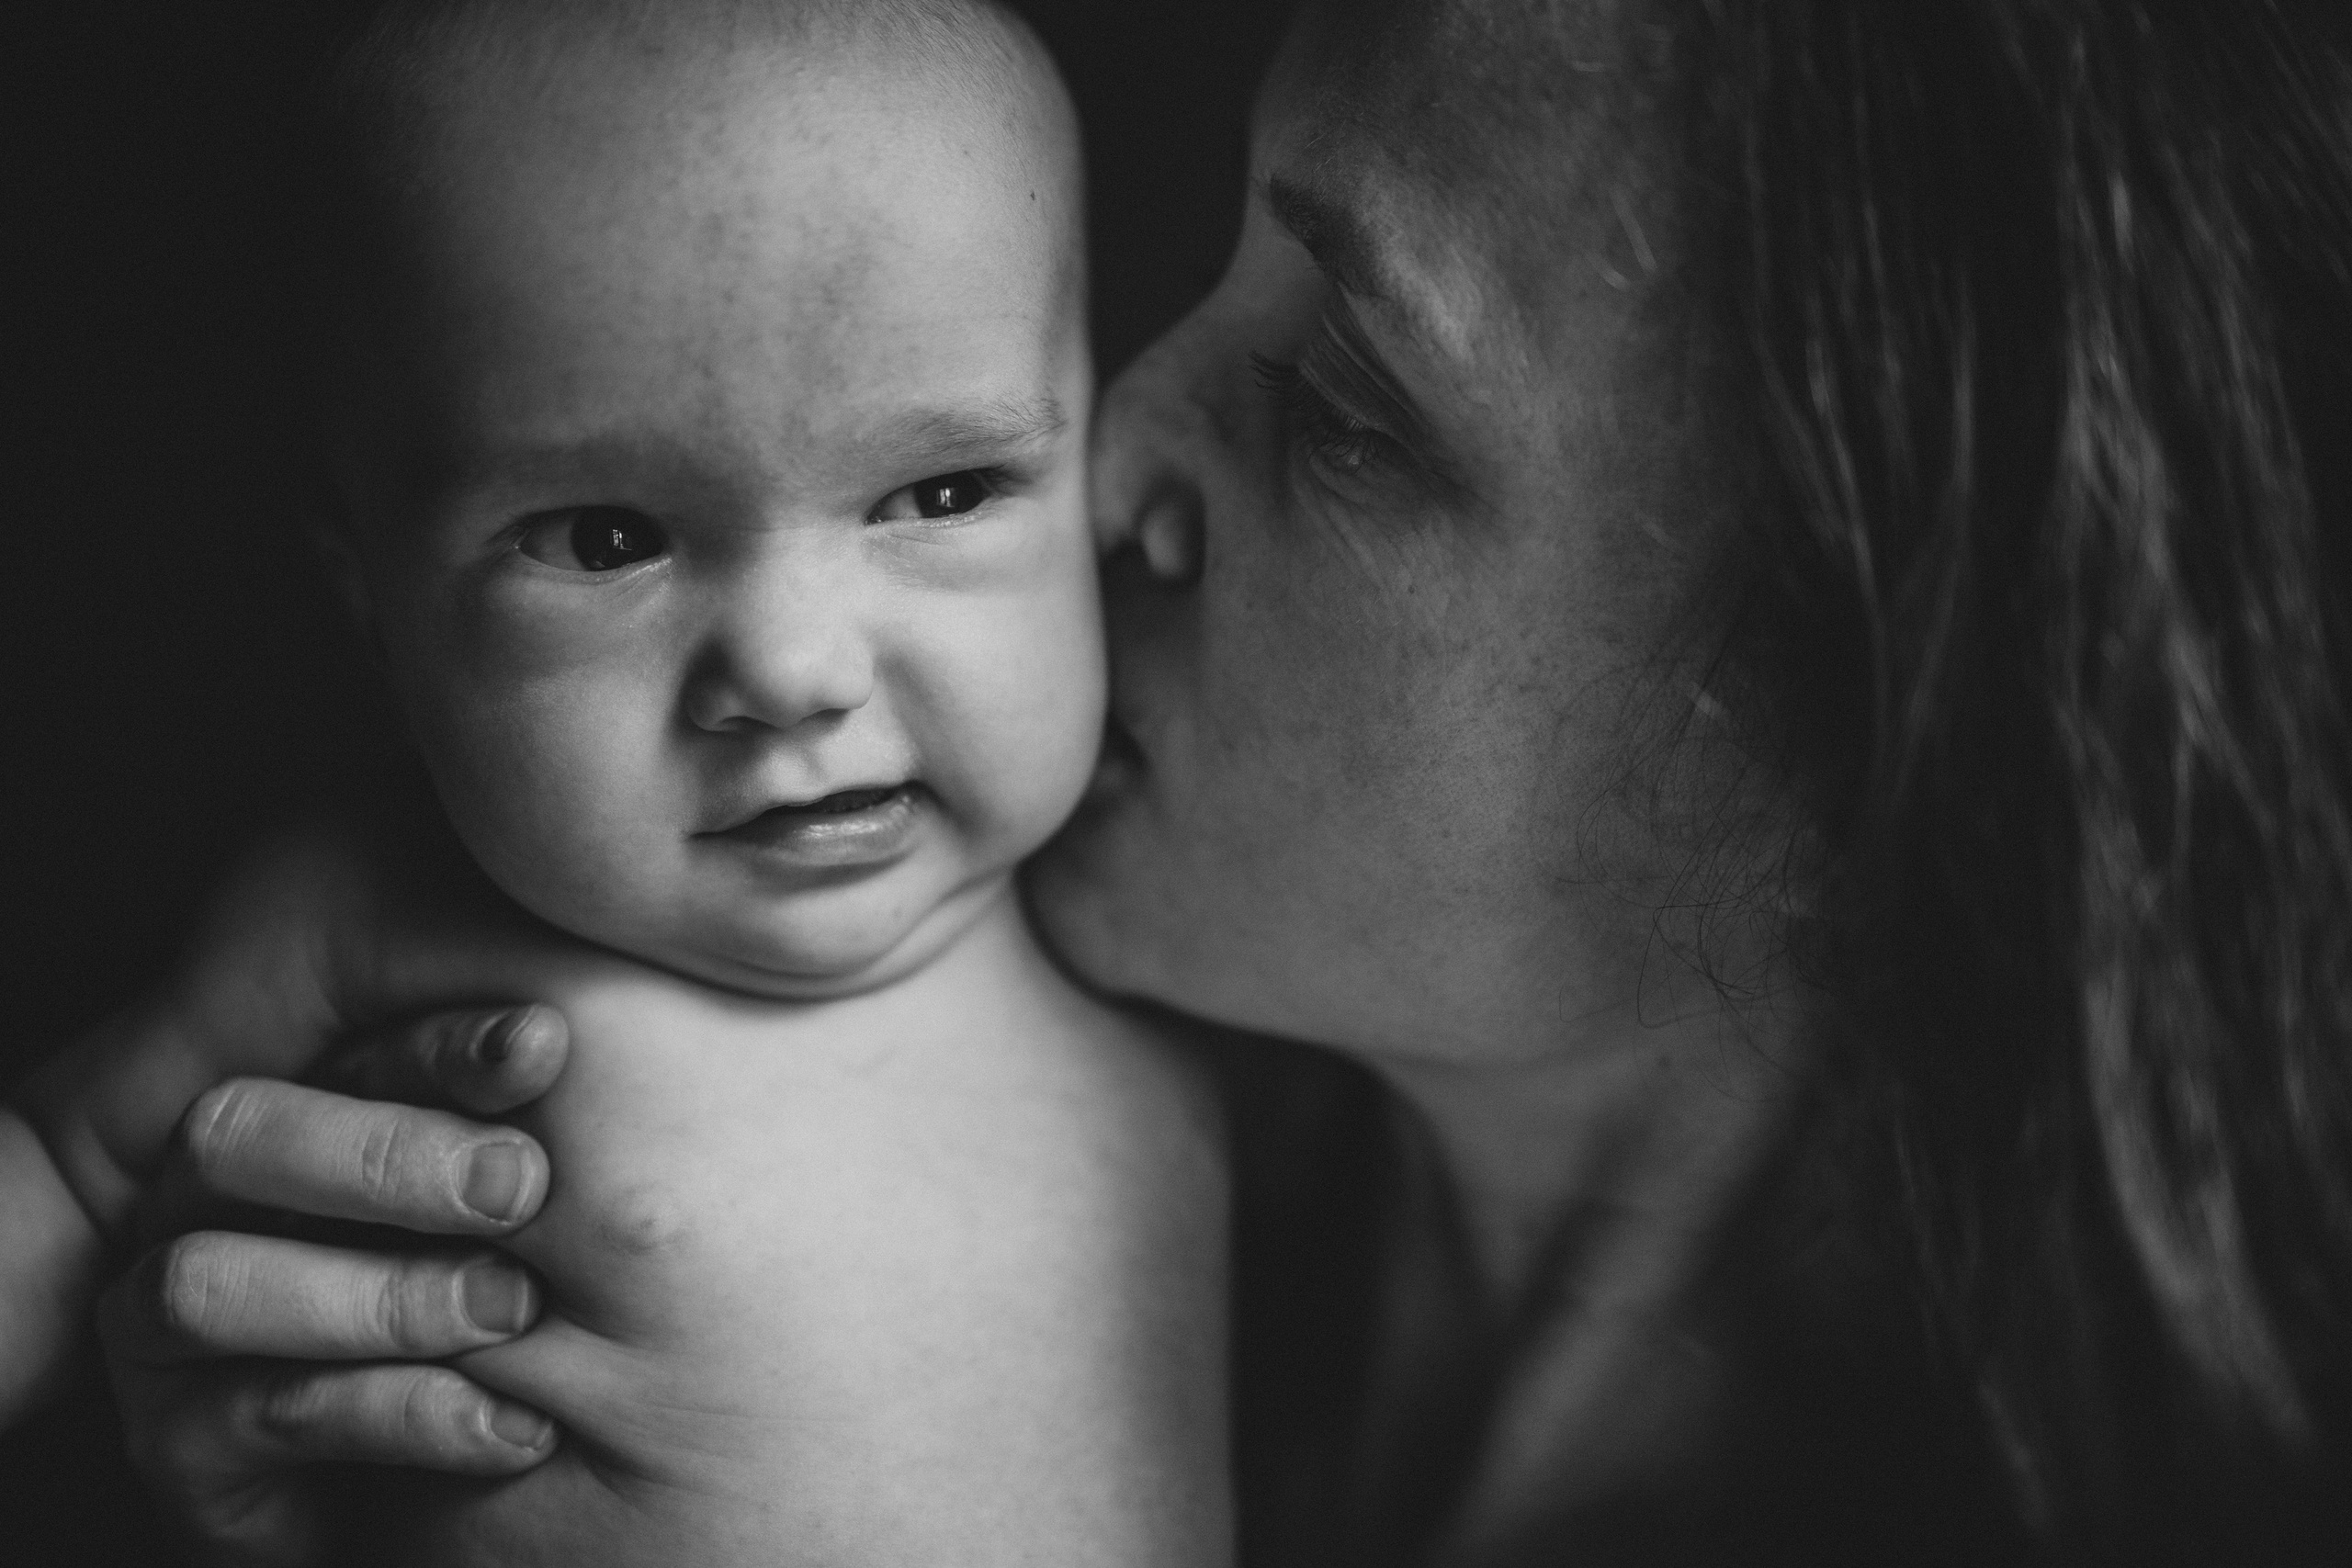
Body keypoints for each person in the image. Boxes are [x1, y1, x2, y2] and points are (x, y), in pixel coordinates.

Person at [14, 0, 2352, 1562]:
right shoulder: (678, 971)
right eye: (1212, 272)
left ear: (1864, 692)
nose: (1107, 451)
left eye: (1342, 405)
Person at [0, 0, 1230, 1562]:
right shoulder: (380, 914)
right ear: (373, 603)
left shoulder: (1165, 921)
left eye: (942, 492)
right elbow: (57, 1176)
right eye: (606, 540)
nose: (794, 668)